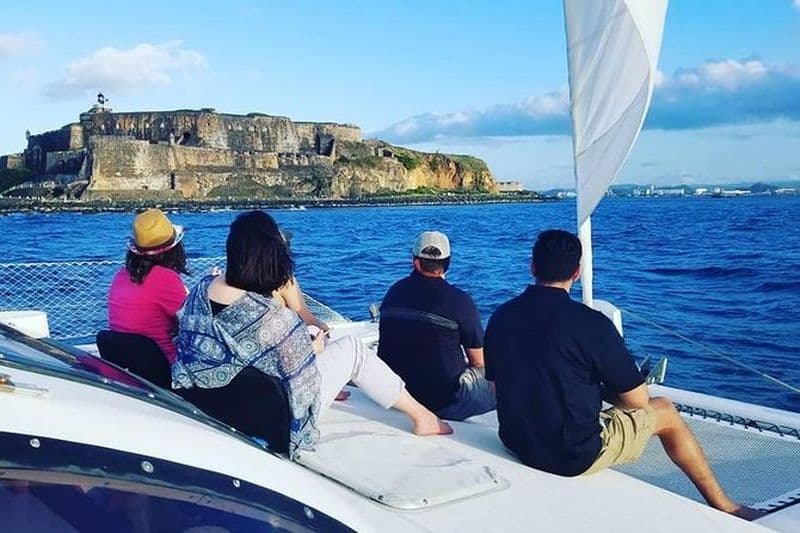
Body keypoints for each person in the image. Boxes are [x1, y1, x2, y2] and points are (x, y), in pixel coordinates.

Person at [484, 229, 758, 519]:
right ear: (576, 273)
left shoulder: (502, 315)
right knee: (664, 410)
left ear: (532, 267)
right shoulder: (591, 324)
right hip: (571, 456)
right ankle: (725, 505)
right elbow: (638, 401)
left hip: (516, 441)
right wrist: (602, 391)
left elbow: (495, 388)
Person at [172, 211, 451, 458]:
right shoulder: (275, 319)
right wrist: (315, 350)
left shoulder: (198, 291)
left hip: (210, 402)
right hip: (271, 420)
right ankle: (423, 418)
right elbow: (300, 380)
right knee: (352, 349)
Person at [378, 231, 495, 421]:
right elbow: (478, 362)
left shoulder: (393, 292)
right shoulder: (461, 301)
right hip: (445, 402)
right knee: (508, 379)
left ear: (415, 261)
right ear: (447, 262)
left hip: (397, 395)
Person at [108, 209, 188, 364]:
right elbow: (193, 321)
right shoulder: (165, 278)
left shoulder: (120, 275)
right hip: (164, 367)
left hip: (130, 367)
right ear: (174, 249)